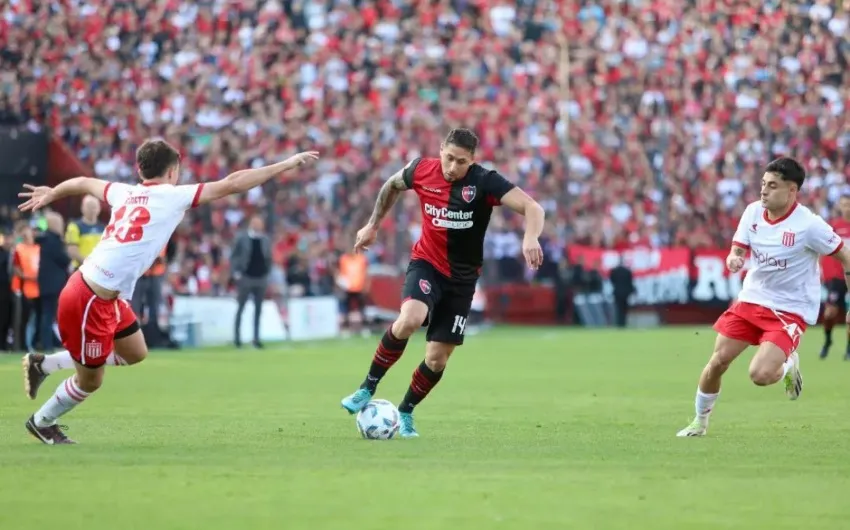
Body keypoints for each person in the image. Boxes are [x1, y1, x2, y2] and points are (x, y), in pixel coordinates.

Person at [18, 138, 319, 444]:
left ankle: (46, 363)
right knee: (90, 381)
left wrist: (53, 192)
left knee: (135, 352)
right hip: (89, 298)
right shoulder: (173, 196)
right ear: (173, 170)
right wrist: (284, 164)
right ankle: (43, 421)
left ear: (140, 169)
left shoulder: (125, 191)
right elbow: (232, 183)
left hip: (106, 293)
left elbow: (83, 181)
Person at [339, 128, 545, 438]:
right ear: (440, 151)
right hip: (427, 265)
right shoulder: (421, 169)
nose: (452, 167)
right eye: (448, 158)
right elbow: (391, 185)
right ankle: (367, 387)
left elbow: (533, 207)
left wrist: (530, 237)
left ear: (472, 160)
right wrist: (372, 225)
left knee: (436, 358)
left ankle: (406, 411)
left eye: (461, 162)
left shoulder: (485, 181)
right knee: (410, 318)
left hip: (462, 281)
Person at [677, 157, 850, 438]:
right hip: (751, 301)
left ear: (792, 191)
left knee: (759, 375)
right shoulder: (753, 212)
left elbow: (845, 256)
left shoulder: (809, 225)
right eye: (763, 184)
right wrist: (734, 257)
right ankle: (699, 422)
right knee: (718, 361)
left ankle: (788, 365)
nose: (764, 191)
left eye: (772, 186)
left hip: (789, 311)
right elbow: (738, 248)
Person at [230, 214, 272, 348]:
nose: (258, 226)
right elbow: (234, 256)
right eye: (256, 223)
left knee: (258, 310)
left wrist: (267, 272)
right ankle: (237, 338)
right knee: (241, 307)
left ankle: (256, 338)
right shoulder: (242, 238)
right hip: (246, 277)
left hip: (261, 277)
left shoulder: (265, 239)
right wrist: (236, 272)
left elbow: (268, 257)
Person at [819, 194, 850, 359]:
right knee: (830, 312)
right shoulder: (834, 227)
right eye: (844, 204)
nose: (847, 208)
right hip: (837, 277)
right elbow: (823, 249)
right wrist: (823, 271)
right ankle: (828, 340)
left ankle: (849, 349)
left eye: (849, 204)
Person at [35, 211, 70, 352]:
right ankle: (47, 344)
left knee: (46, 314)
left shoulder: (44, 240)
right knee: (49, 315)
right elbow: (64, 259)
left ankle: (46, 342)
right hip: (54, 284)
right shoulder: (54, 241)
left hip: (45, 283)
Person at [65, 194, 105, 270]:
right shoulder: (74, 226)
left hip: (99, 270)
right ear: (82, 208)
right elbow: (72, 251)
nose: (92, 210)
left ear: (99, 208)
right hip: (80, 269)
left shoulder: (103, 228)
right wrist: (89, 264)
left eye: (94, 207)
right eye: (89, 207)